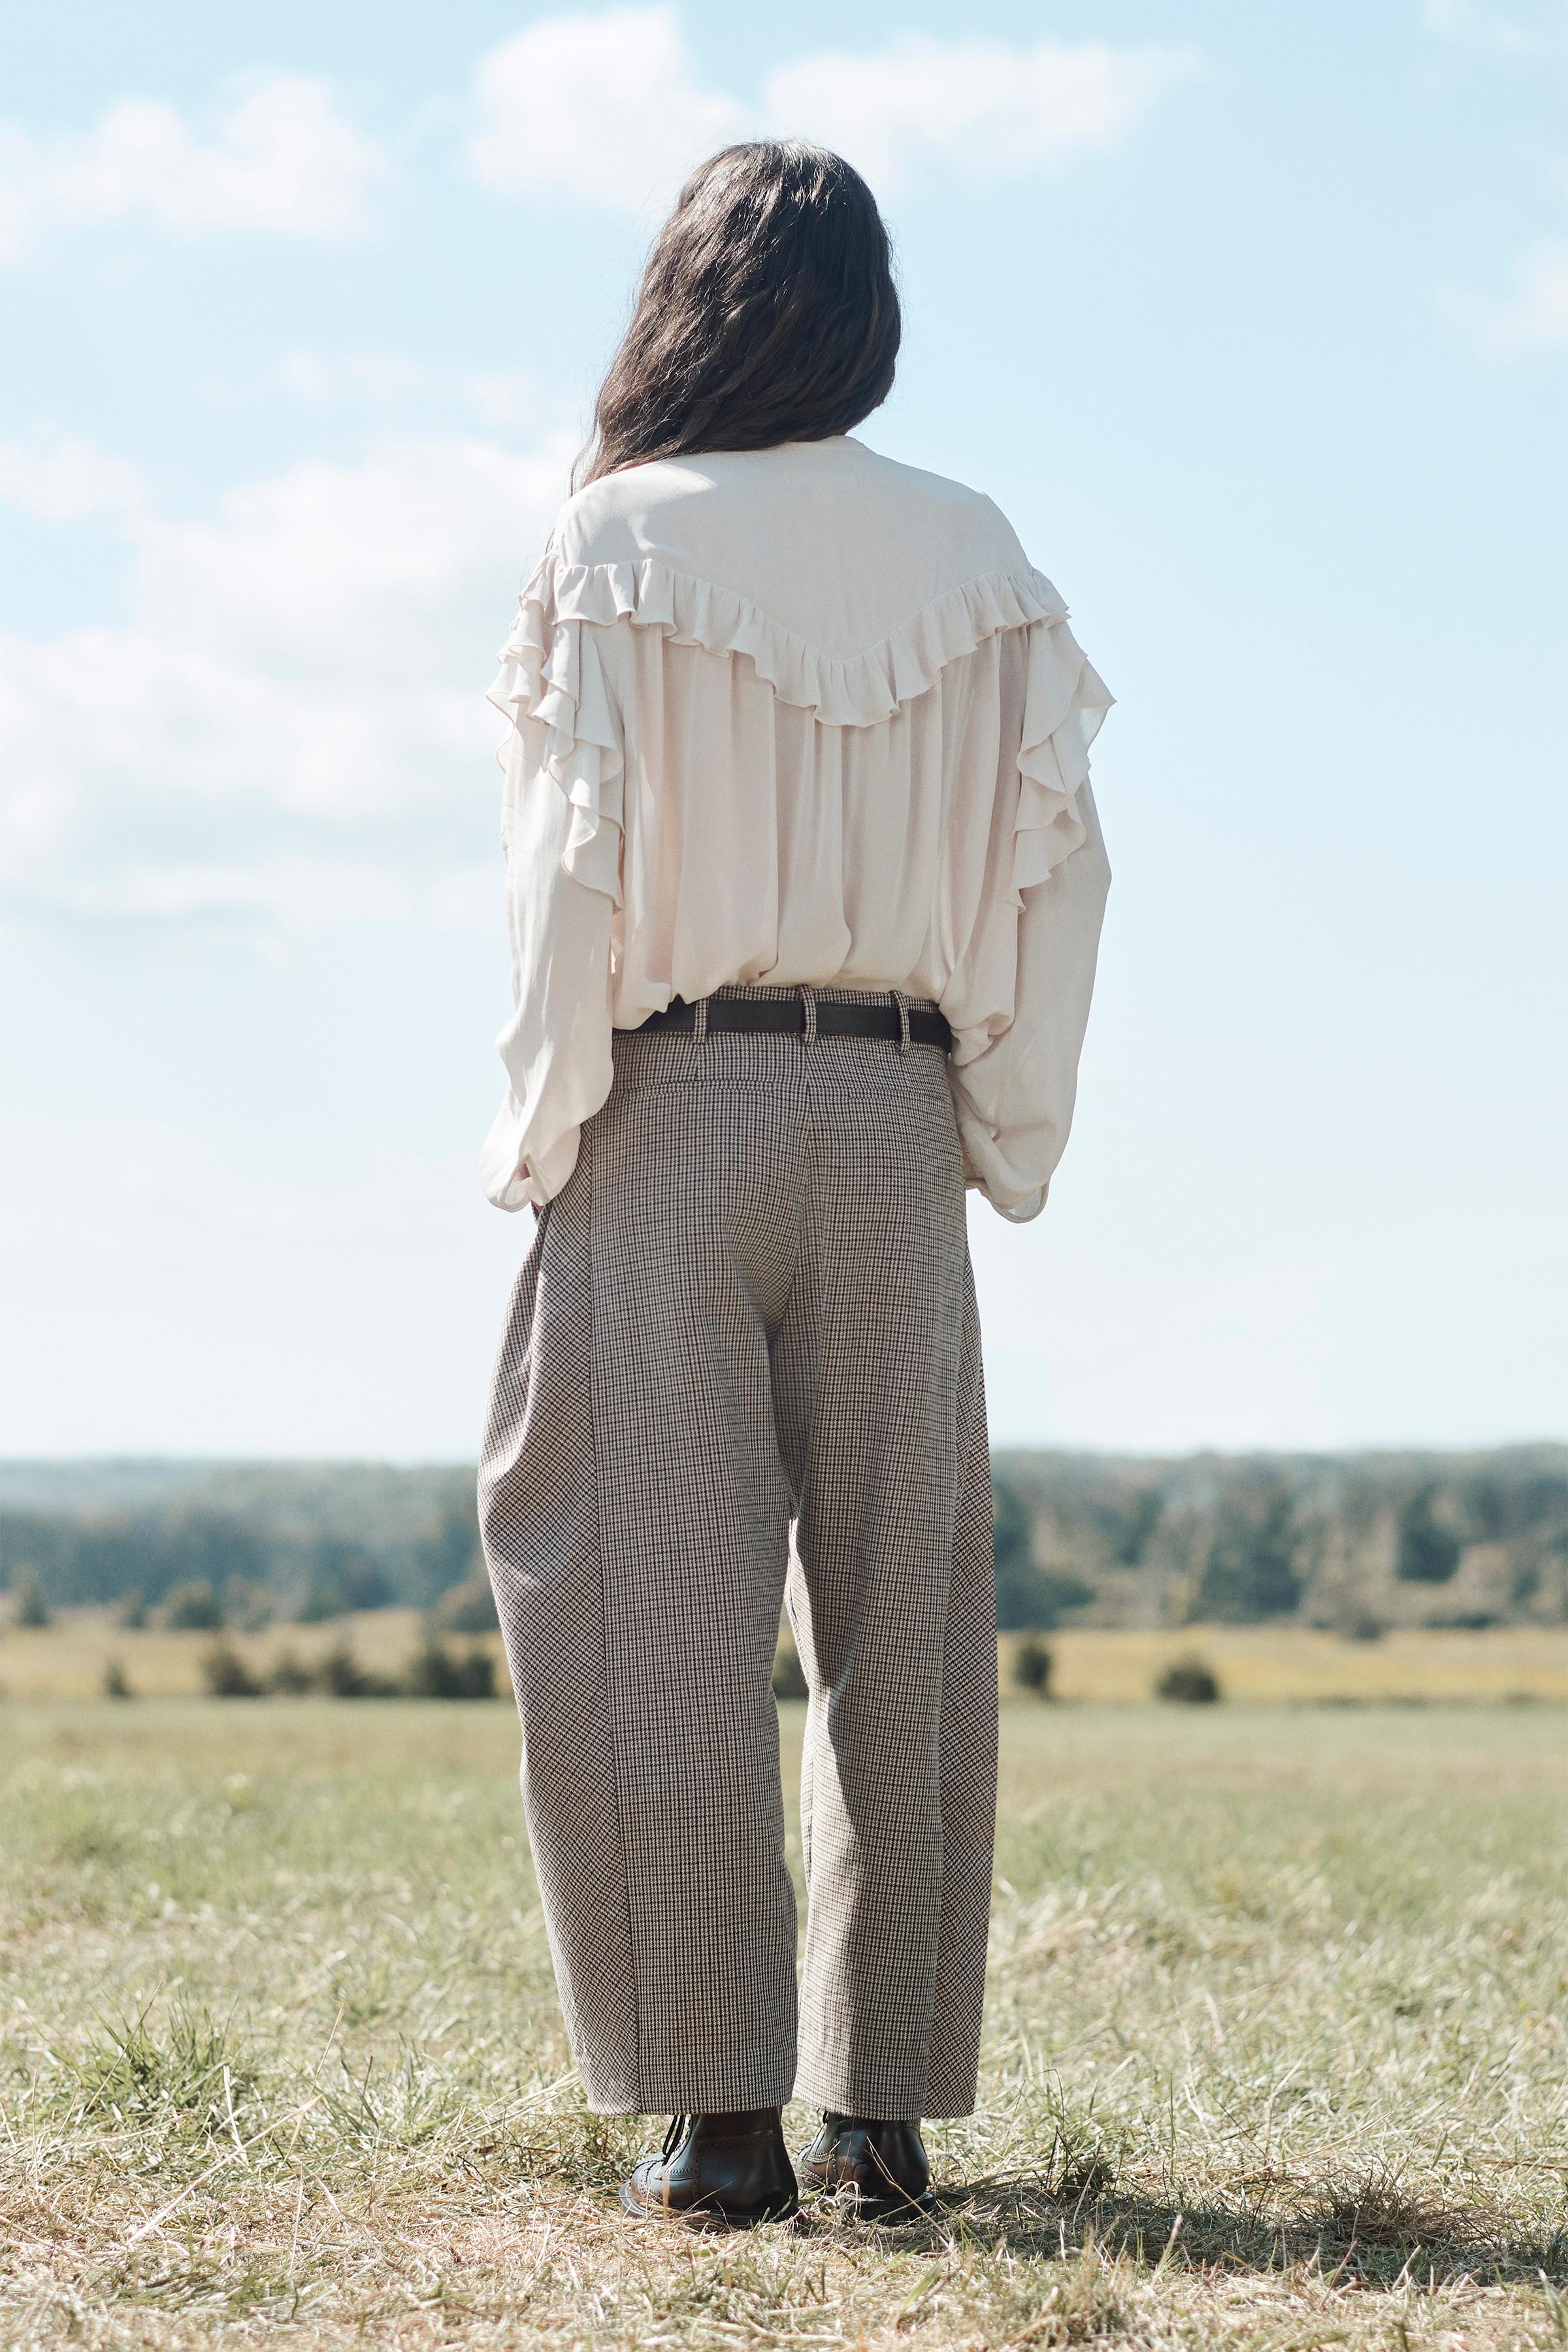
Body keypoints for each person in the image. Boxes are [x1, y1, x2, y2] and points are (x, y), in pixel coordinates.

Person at [477, 140, 1112, 2227]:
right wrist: (1001, 1127)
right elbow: (1058, 869)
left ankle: (715, 2117)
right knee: (903, 1615)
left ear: (687, 297)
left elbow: (565, 866)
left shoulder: (615, 536)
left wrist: (547, 1114)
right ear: (870, 311)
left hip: (672, 1095)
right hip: (894, 1109)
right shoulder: (981, 549)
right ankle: (884, 2113)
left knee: (648, 1597)